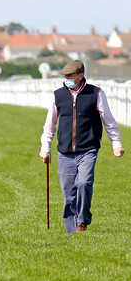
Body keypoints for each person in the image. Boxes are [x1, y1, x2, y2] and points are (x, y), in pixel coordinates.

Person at [39, 60, 124, 233]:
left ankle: (82, 222)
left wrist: (116, 143)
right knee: (68, 191)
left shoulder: (96, 93)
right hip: (65, 152)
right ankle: (71, 231)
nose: (66, 78)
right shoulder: (58, 95)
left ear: (80, 76)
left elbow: (108, 121)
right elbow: (50, 125)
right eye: (65, 76)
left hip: (88, 149)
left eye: (70, 75)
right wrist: (45, 148)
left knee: (85, 183)